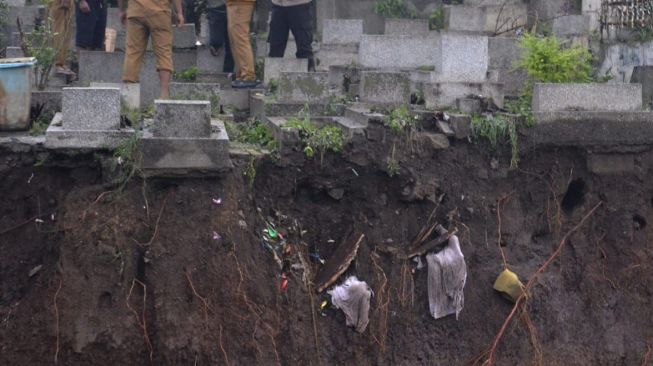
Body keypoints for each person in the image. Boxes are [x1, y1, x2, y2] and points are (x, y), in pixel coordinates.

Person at [118, 0, 184, 99]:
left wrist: (122, 10)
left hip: (136, 10)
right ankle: (164, 95)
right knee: (163, 52)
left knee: (132, 53)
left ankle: (129, 98)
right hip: (160, 11)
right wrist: (179, 13)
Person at [268, 0, 315, 71]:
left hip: (300, 4)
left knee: (304, 48)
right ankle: (272, 78)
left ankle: (309, 77)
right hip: (278, 5)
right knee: (275, 48)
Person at [225, 0, 258, 88]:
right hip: (233, 3)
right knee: (235, 39)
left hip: (241, 3)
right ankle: (241, 74)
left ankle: (248, 75)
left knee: (240, 38)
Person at [49, 0, 76, 76]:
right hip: (59, 4)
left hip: (68, 4)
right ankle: (57, 63)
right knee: (59, 33)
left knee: (66, 34)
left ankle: (62, 63)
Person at [206, 0, 234, 73]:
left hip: (234, 8)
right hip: (215, 8)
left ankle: (228, 72)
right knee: (216, 41)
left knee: (231, 46)